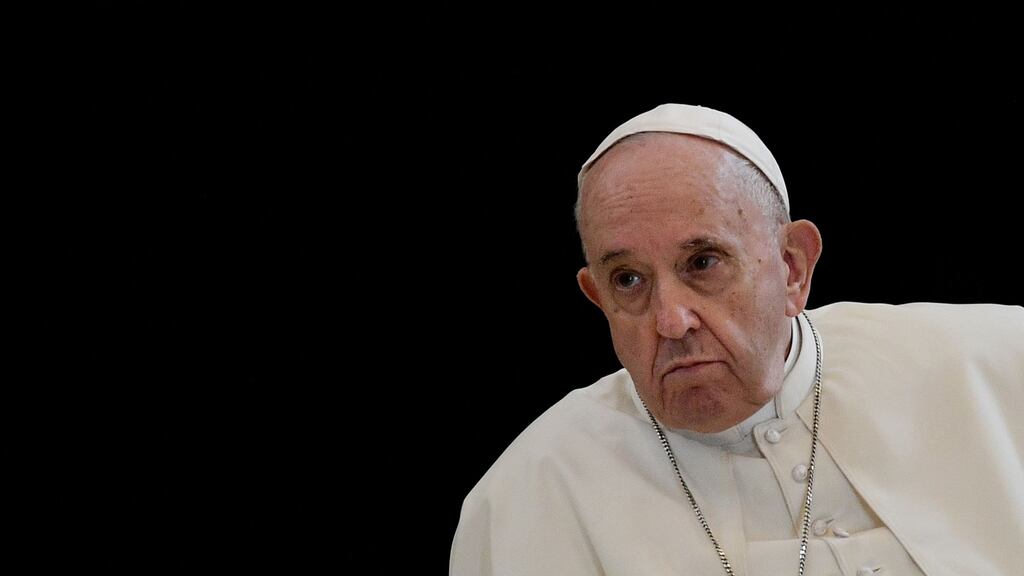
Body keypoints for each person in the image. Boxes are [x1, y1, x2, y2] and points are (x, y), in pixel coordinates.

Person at [449, 103, 1023, 576]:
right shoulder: (529, 496)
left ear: (792, 267)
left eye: (703, 262)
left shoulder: (997, 365)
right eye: (629, 281)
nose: (671, 321)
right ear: (598, 298)